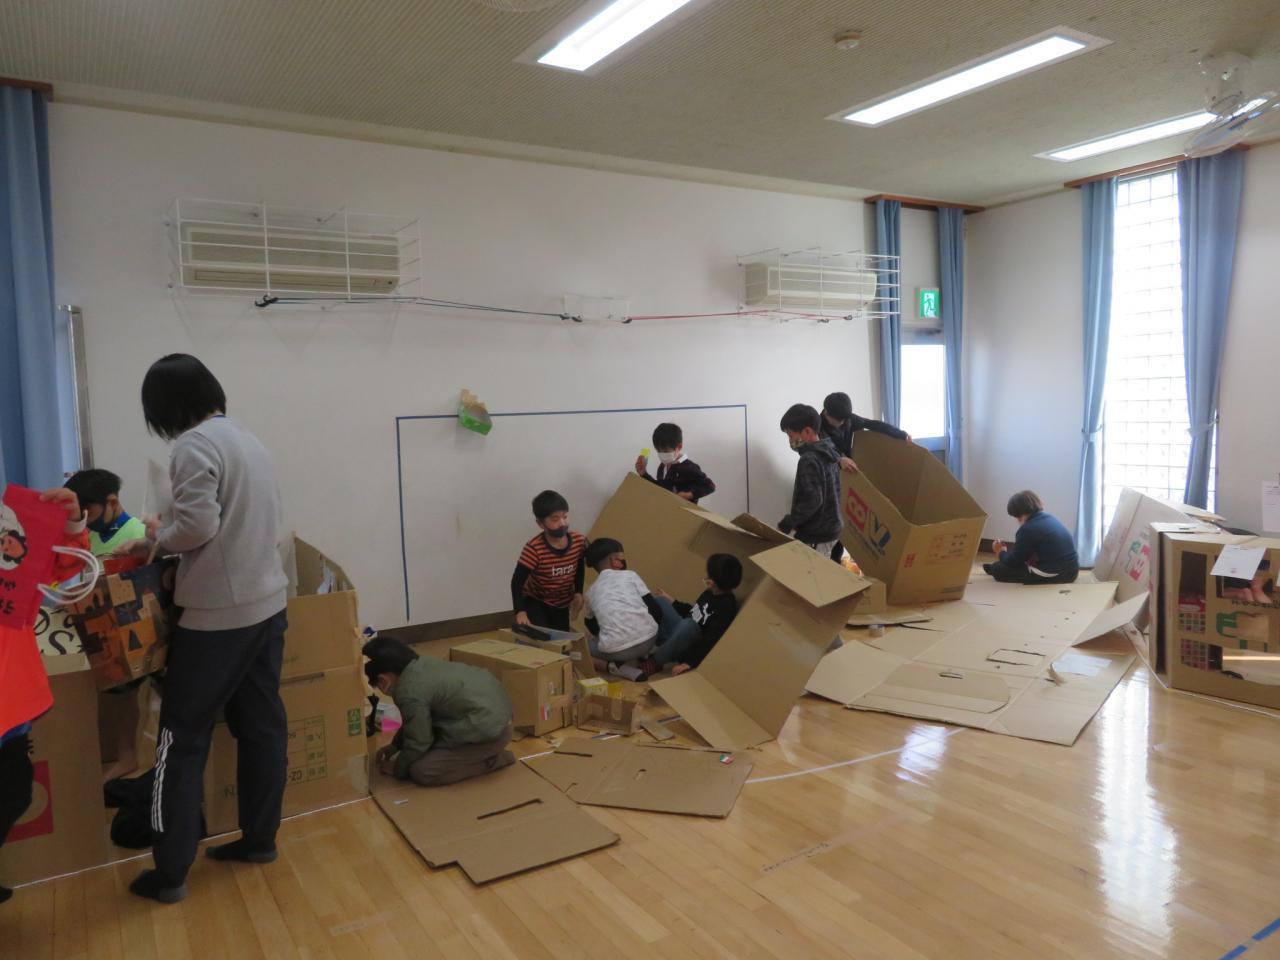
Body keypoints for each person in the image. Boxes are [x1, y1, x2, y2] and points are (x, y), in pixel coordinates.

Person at [114, 354, 289, 905]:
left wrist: (157, 537)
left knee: (179, 739)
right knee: (262, 726)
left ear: (166, 407)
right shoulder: (245, 437)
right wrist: (167, 532)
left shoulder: (193, 445)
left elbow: (196, 526)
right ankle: (260, 841)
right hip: (267, 603)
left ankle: (170, 872)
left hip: (219, 617)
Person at [0, 487, 89, 907]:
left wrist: (70, 521)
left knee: (15, 789)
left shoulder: (8, 527)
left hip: (9, 693)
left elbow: (61, 565)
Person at [66, 468, 150, 782]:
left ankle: (143, 758)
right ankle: (125, 757)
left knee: (145, 694)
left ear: (111, 501)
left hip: (139, 625)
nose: (84, 519)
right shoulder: (89, 536)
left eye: (88, 511)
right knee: (119, 696)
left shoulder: (137, 534)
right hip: (105, 627)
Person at [365, 637, 515, 786]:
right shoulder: (421, 666)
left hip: (491, 733)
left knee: (422, 770)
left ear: (383, 680)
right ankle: (483, 753)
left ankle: (493, 760)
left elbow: (419, 742)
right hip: (492, 719)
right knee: (421, 746)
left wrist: (398, 768)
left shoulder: (409, 692)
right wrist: (396, 745)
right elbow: (414, 722)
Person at [820, 392, 909, 562]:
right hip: (827, 479)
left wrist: (901, 434)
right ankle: (827, 561)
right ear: (826, 413)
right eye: (838, 421)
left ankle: (837, 561)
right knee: (832, 524)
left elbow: (873, 424)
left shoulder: (847, 419)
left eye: (844, 420)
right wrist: (838, 459)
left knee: (845, 521)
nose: (842, 424)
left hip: (848, 476)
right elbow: (820, 447)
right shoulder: (817, 426)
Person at [641, 553, 742, 678]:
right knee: (660, 601)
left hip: (689, 647)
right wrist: (672, 601)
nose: (705, 576)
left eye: (708, 574)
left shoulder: (726, 606)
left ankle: (655, 661)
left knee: (689, 625)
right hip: (679, 633)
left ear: (712, 582)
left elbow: (711, 640)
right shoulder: (709, 592)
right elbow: (694, 612)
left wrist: (690, 663)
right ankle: (643, 642)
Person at [582, 538, 671, 675]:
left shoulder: (590, 593)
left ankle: (615, 668)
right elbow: (655, 610)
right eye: (621, 556)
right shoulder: (631, 575)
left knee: (580, 649)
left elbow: (591, 625)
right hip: (649, 640)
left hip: (616, 651)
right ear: (614, 560)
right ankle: (642, 656)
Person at [511, 490, 587, 632]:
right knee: (541, 636)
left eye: (565, 516)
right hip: (536, 600)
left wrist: (578, 592)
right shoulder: (534, 548)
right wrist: (520, 611)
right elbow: (517, 582)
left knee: (561, 639)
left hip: (562, 603)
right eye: (555, 519)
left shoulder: (579, 541)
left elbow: (580, 566)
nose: (562, 523)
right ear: (541, 523)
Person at [777, 404, 844, 558]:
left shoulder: (809, 459)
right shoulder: (830, 453)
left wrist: (788, 523)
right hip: (832, 528)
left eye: (791, 435)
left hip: (818, 534)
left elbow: (813, 500)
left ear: (807, 431)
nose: (790, 441)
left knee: (812, 572)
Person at [984, 490, 1079, 585]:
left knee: (999, 569)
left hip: (1058, 574)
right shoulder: (1050, 518)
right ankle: (995, 567)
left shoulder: (1027, 529)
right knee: (1017, 562)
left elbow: (1013, 562)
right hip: (1072, 571)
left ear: (1018, 515)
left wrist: (1001, 552)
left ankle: (994, 568)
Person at [65, 469, 148, 558]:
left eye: (88, 511)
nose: (85, 520)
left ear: (113, 503)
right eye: (81, 514)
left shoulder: (141, 536)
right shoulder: (88, 539)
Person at [634, 423, 715, 503]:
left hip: (682, 510)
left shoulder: (689, 467)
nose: (662, 454)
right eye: (658, 450)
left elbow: (710, 486)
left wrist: (689, 495)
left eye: (665, 451)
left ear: (679, 447)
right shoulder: (662, 466)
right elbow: (660, 489)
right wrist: (644, 474)